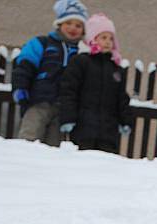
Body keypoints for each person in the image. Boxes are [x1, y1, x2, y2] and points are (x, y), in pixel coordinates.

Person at [12, 0, 88, 147]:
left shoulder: (82, 55)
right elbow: (24, 67)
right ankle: (21, 162)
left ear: (83, 31)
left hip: (62, 109)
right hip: (38, 101)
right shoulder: (42, 43)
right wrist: (20, 88)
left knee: (52, 146)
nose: (73, 28)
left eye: (78, 25)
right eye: (68, 23)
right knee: (29, 137)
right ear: (59, 24)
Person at [59, 13, 134, 153]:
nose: (108, 42)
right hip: (83, 128)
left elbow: (121, 98)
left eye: (111, 38)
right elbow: (69, 91)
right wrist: (68, 118)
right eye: (103, 37)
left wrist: (126, 121)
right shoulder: (81, 62)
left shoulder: (115, 69)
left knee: (104, 168)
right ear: (93, 39)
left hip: (109, 132)